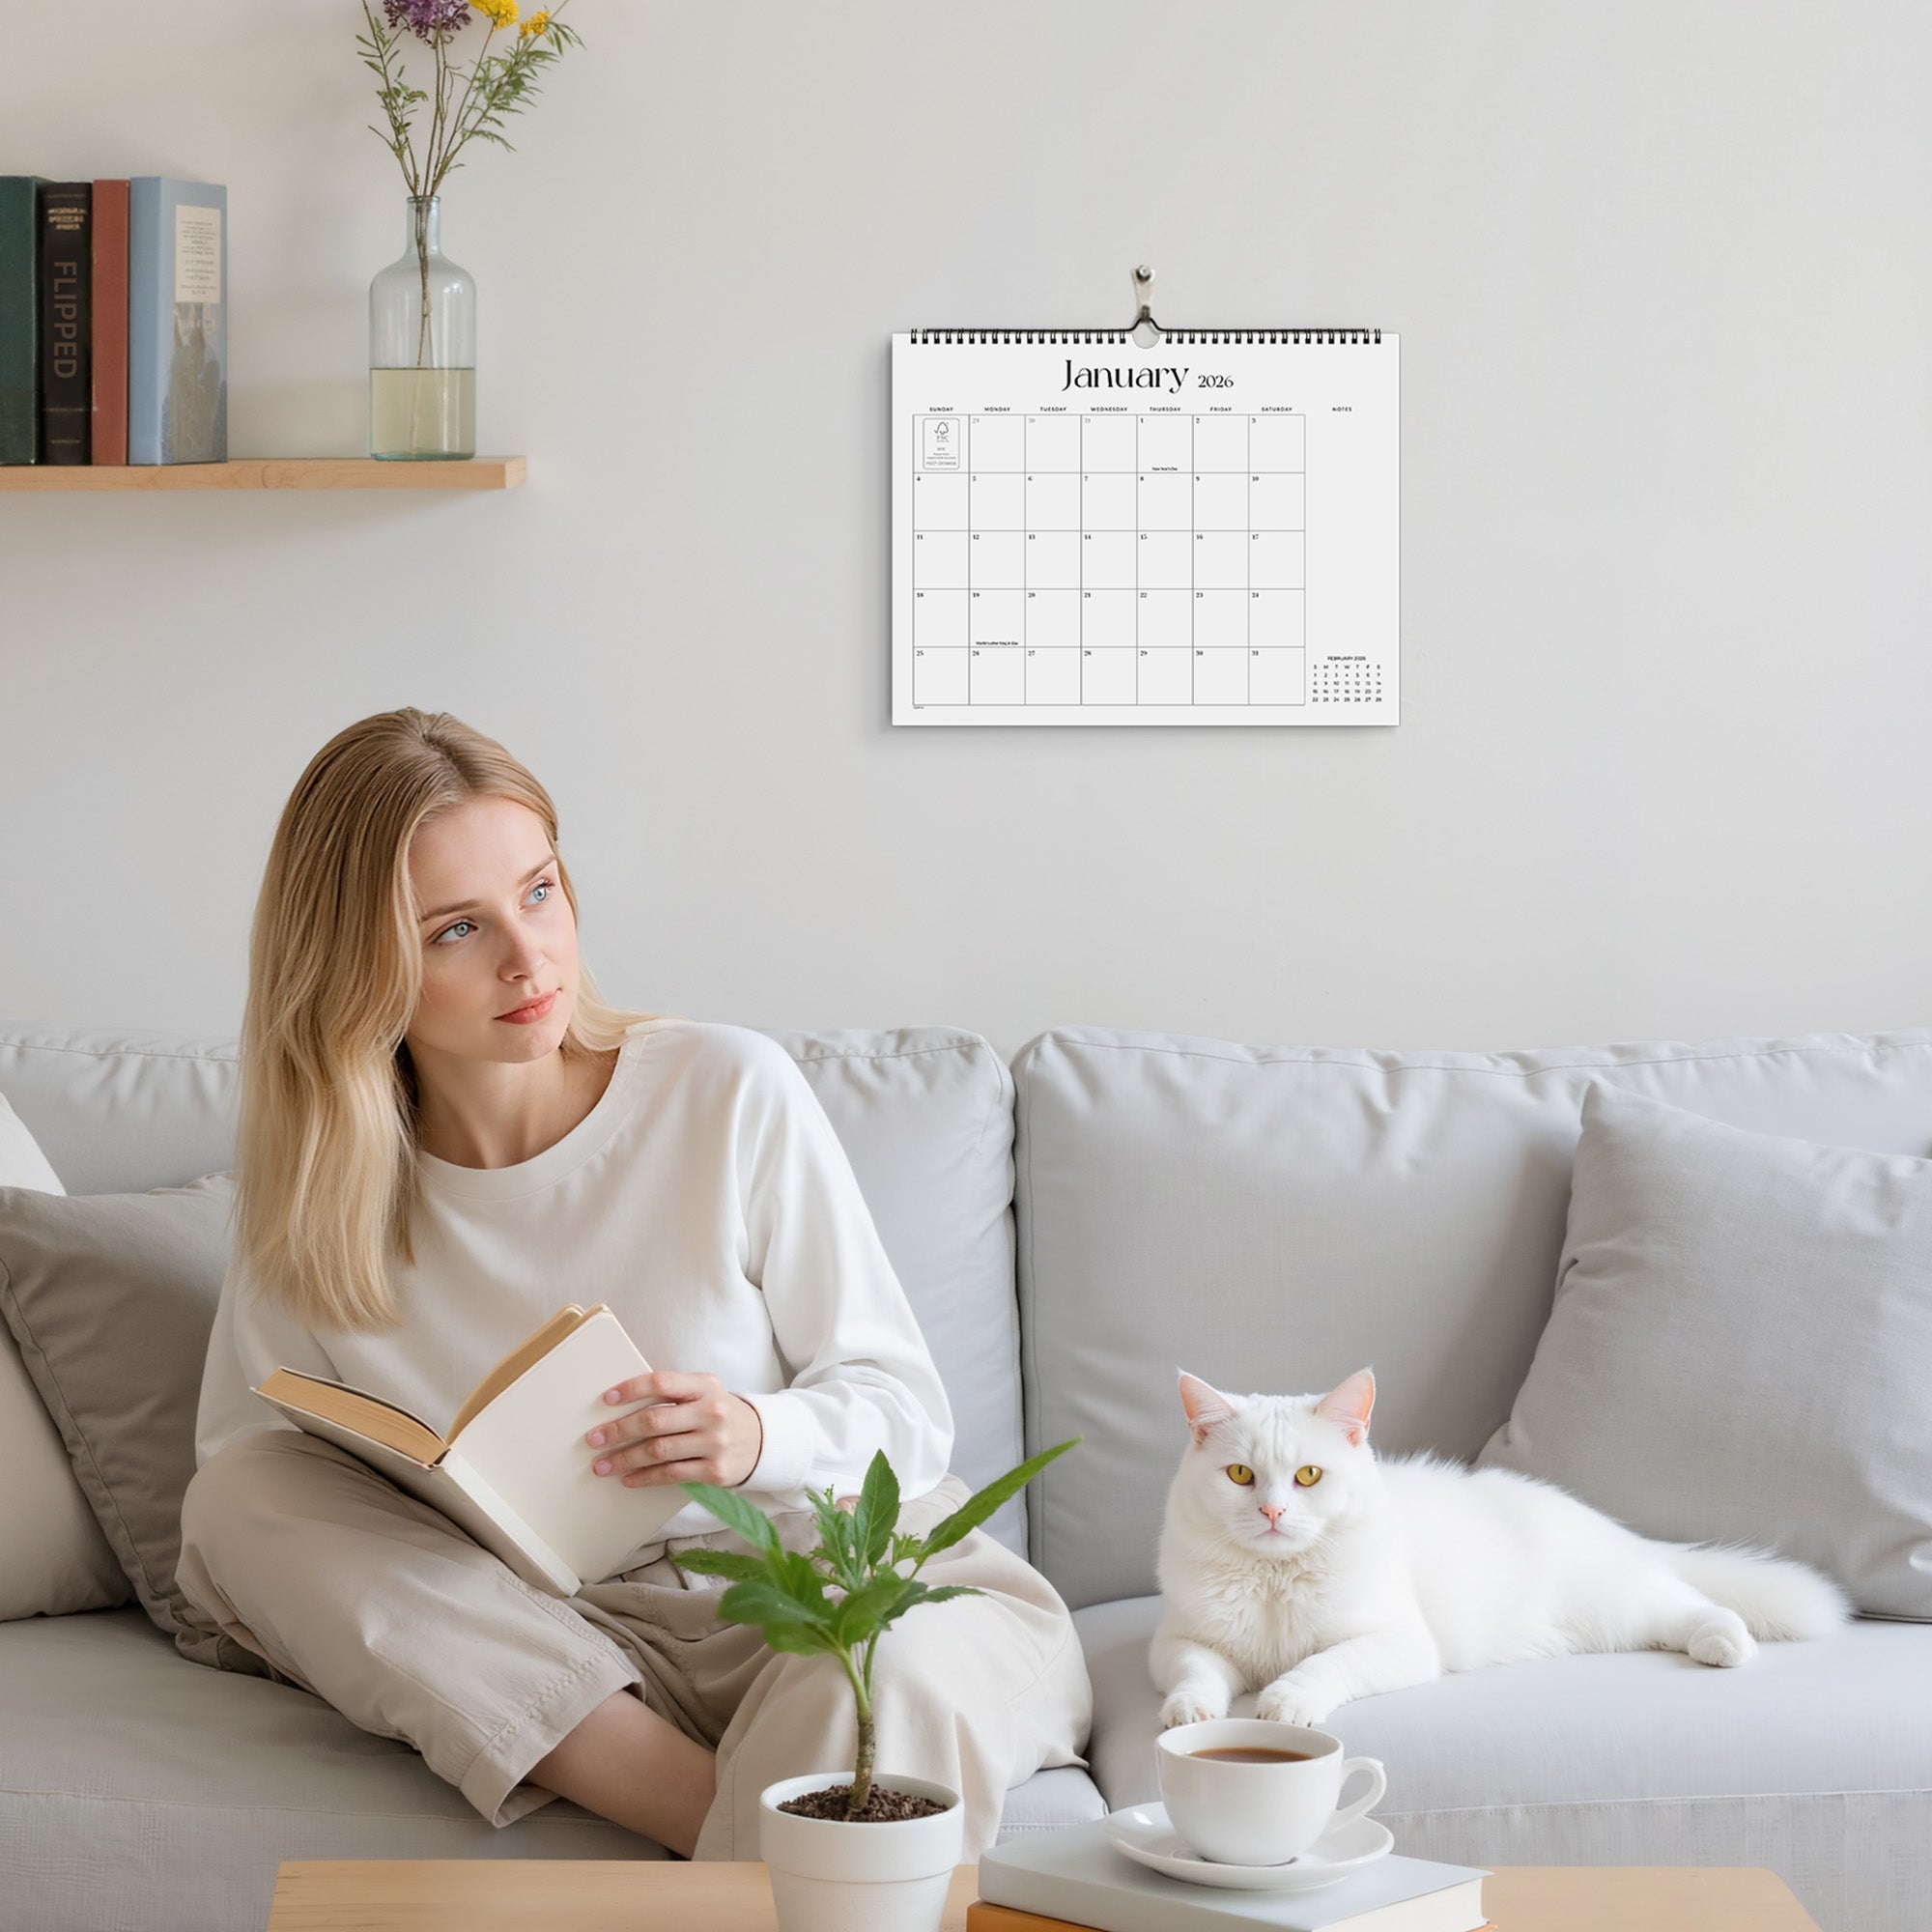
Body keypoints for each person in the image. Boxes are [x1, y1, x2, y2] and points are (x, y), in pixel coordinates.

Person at [176, 706, 1093, 1861]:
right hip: (558, 1648)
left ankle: (733, 1841)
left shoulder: (723, 1090)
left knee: (885, 1677)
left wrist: (752, 1432)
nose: (529, 956)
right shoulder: (314, 1194)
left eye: (540, 890)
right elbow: (243, 1483)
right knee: (243, 1497)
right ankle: (725, 1817)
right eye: (458, 928)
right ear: (355, 963)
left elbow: (907, 1411)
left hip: (818, 1596)